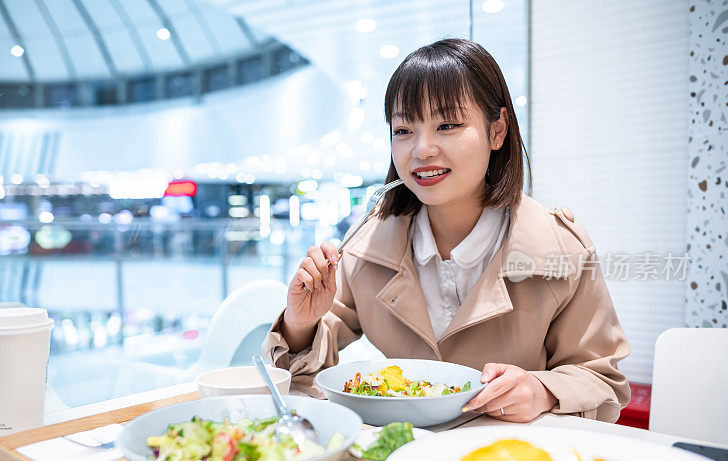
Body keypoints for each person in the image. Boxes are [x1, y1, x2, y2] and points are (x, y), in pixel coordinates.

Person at [262, 38, 630, 423]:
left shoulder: (560, 249)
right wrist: (300, 322)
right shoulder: (366, 246)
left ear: (497, 130)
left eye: (448, 125)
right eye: (403, 129)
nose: (422, 149)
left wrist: (542, 391)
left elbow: (603, 381)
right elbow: (301, 377)